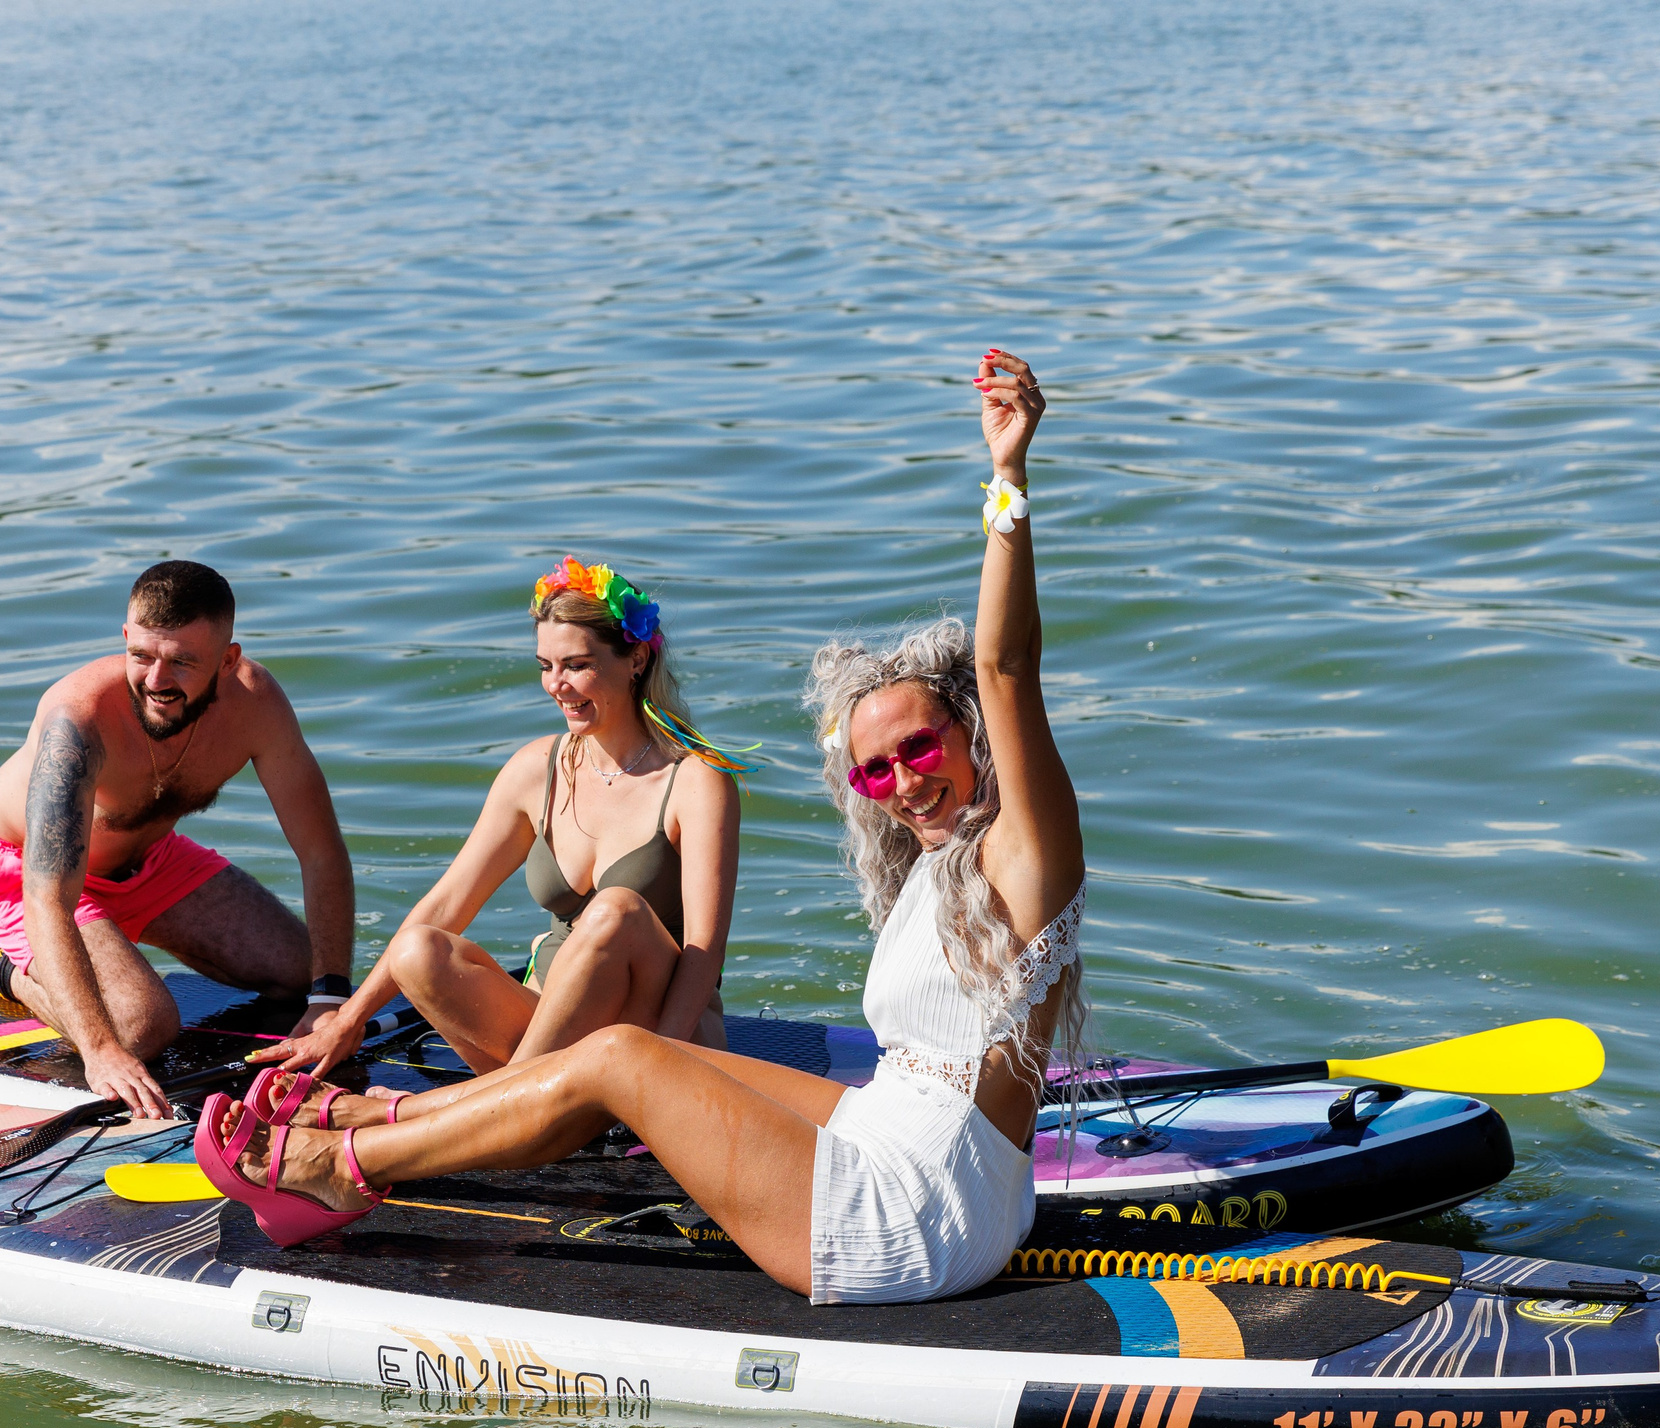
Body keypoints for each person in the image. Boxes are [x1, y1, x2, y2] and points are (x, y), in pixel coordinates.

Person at [198, 350, 1088, 1304]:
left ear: (971, 732)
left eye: (920, 747)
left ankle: (350, 1163)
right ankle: (390, 1109)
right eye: (874, 768)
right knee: (658, 1060)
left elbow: (1009, 665)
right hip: (913, 1148)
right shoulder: (936, 868)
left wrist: (1008, 478)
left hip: (918, 1216)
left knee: (624, 1055)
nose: (903, 783)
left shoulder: (1024, 854)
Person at [251, 557, 749, 1090]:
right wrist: (345, 1022)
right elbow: (446, 906)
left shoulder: (697, 781)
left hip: (657, 1031)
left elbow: (704, 952)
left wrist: (665, 1063)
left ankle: (490, 1111)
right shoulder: (536, 769)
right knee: (419, 948)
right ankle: (521, 1101)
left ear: (636, 659)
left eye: (576, 665)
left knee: (617, 910)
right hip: (549, 1028)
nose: (556, 685)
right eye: (544, 665)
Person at [0, 561, 357, 1119]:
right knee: (141, 1027)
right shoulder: (79, 720)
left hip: (150, 861)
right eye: (142, 656)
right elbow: (47, 897)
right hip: (25, 874)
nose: (157, 681)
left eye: (183, 661)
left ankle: (64, 954)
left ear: (228, 660)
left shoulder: (256, 704)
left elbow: (321, 851)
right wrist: (100, 1049)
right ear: (125, 640)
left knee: (301, 972)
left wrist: (330, 1001)